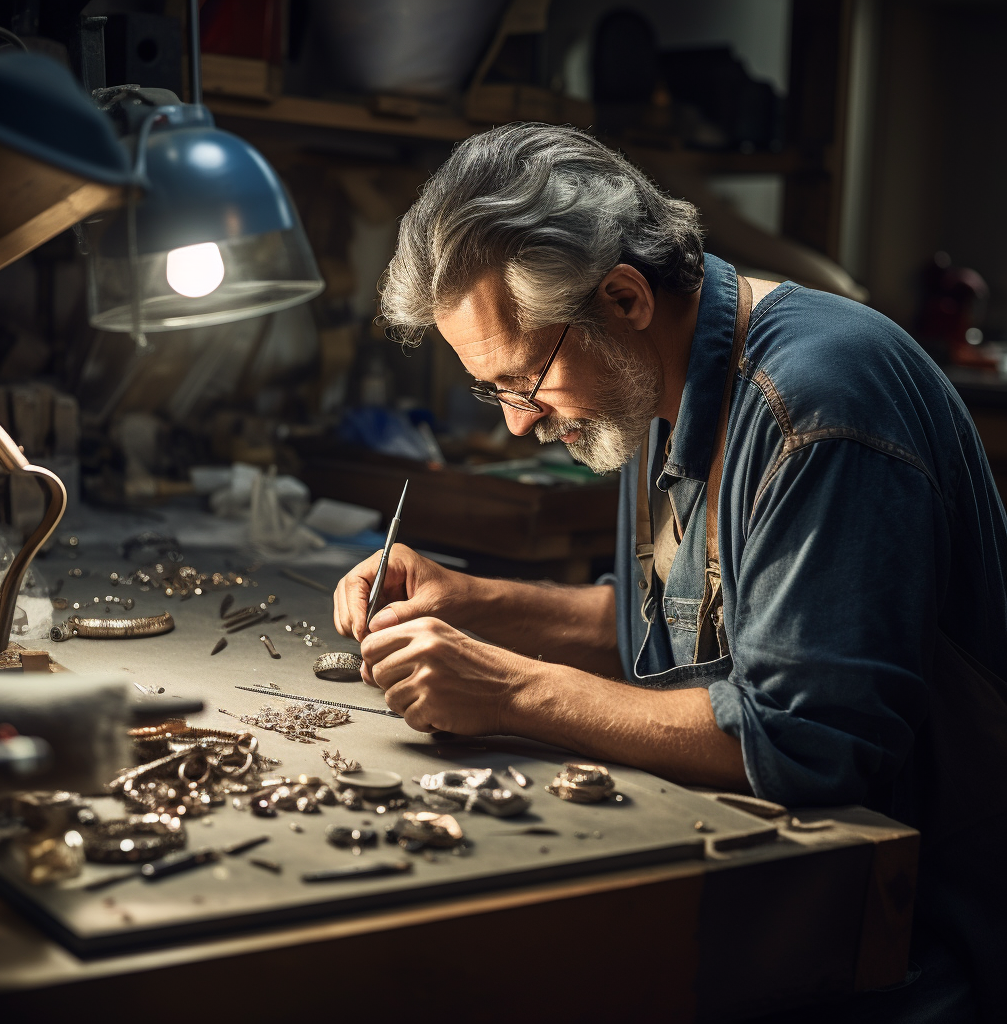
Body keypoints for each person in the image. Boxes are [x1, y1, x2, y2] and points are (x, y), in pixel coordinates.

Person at [332, 124, 1007, 1022]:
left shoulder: (817, 405)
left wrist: (509, 691)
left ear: (623, 297)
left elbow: (805, 747)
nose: (519, 426)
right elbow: (675, 637)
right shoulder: (656, 379)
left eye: (524, 382)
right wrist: (474, 603)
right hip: (795, 887)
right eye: (493, 391)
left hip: (908, 940)